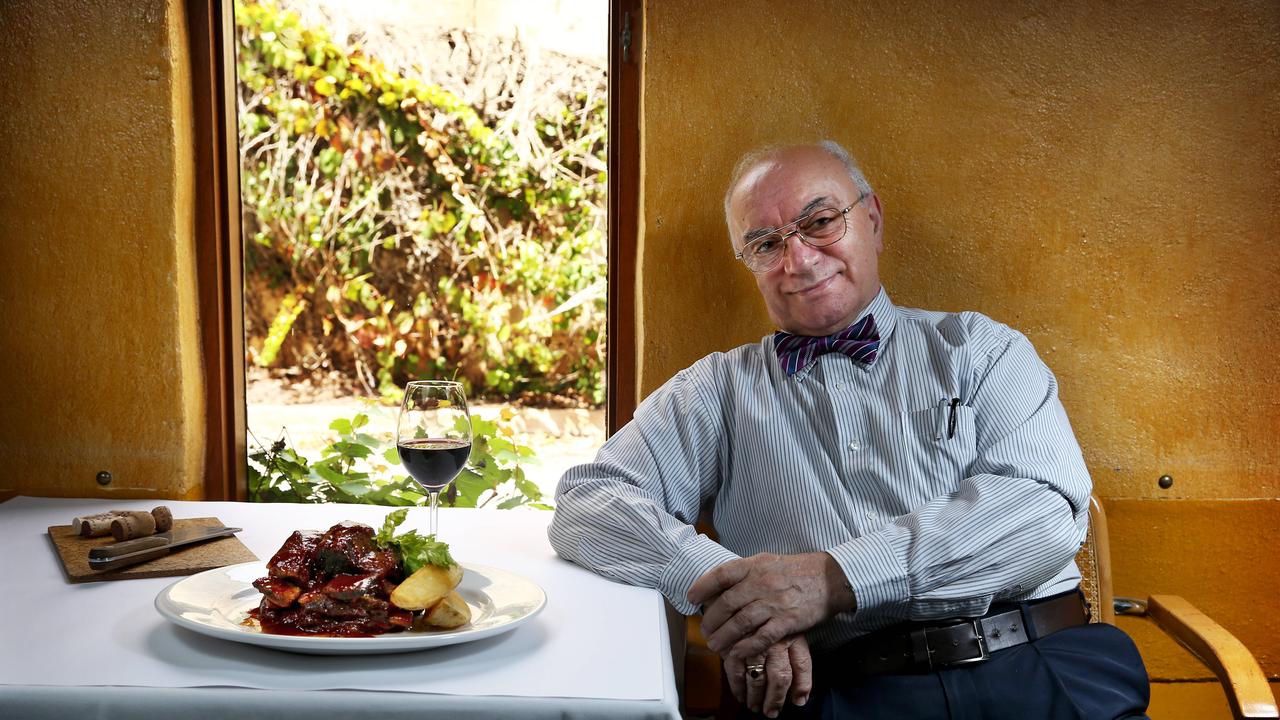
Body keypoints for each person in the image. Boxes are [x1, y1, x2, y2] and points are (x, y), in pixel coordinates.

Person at [548, 140, 1150, 719]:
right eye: (765, 243)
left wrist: (832, 579)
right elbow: (589, 501)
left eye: (820, 222)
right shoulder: (716, 390)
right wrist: (736, 598)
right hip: (842, 693)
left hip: (1042, 664)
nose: (800, 260)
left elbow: (1041, 514)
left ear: (874, 221)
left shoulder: (982, 349)